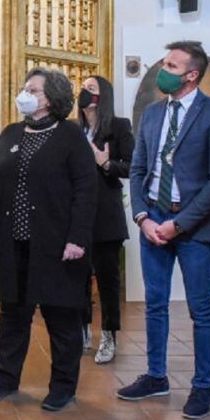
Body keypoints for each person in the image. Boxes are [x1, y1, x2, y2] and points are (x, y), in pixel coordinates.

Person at [118, 40, 210, 420]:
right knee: (155, 304)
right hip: (152, 221)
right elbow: (138, 170)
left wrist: (178, 224)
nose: (162, 71)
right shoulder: (152, 114)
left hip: (192, 228)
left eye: (171, 65)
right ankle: (156, 376)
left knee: (200, 309)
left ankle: (202, 386)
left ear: (191, 75)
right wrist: (143, 218)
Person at [0, 68, 95, 412]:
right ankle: (5, 379)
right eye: (24, 87)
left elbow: (86, 192)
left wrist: (77, 239)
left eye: (33, 90)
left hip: (58, 247)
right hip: (13, 245)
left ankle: (63, 386)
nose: (25, 93)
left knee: (61, 320)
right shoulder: (10, 133)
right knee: (12, 316)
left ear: (51, 98)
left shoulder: (71, 136)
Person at [77, 75, 134, 365]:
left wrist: (105, 163)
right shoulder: (74, 130)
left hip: (106, 214)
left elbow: (132, 166)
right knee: (78, 276)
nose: (84, 92)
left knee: (108, 279)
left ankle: (109, 334)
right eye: (83, 88)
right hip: (77, 215)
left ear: (103, 96)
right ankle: (83, 329)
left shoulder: (118, 126)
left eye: (91, 88)